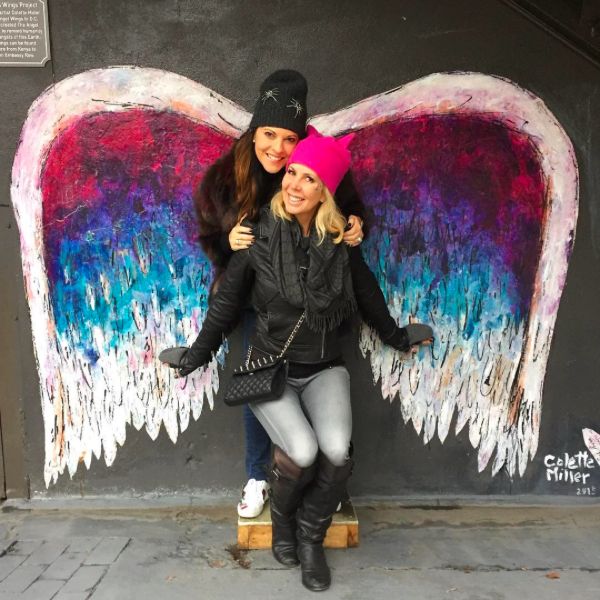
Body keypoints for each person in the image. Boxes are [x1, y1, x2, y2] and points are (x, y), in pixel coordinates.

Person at [167, 129, 433, 591]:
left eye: (308, 179)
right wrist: (196, 355)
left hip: (323, 367)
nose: (292, 185)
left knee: (336, 453)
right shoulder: (258, 238)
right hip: (270, 372)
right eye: (291, 173)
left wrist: (398, 337)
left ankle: (309, 535)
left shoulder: (339, 243)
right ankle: (283, 521)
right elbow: (226, 305)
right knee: (304, 451)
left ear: (325, 191)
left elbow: (369, 297)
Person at [194, 70, 366, 519]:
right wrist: (224, 241)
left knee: (321, 385)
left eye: (289, 137)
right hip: (255, 302)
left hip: (312, 306)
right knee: (263, 388)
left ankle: (325, 480)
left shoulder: (311, 163)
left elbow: (343, 205)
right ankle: (258, 475)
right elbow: (210, 229)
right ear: (254, 132)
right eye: (268, 134)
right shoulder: (228, 176)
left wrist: (355, 224)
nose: (277, 147)